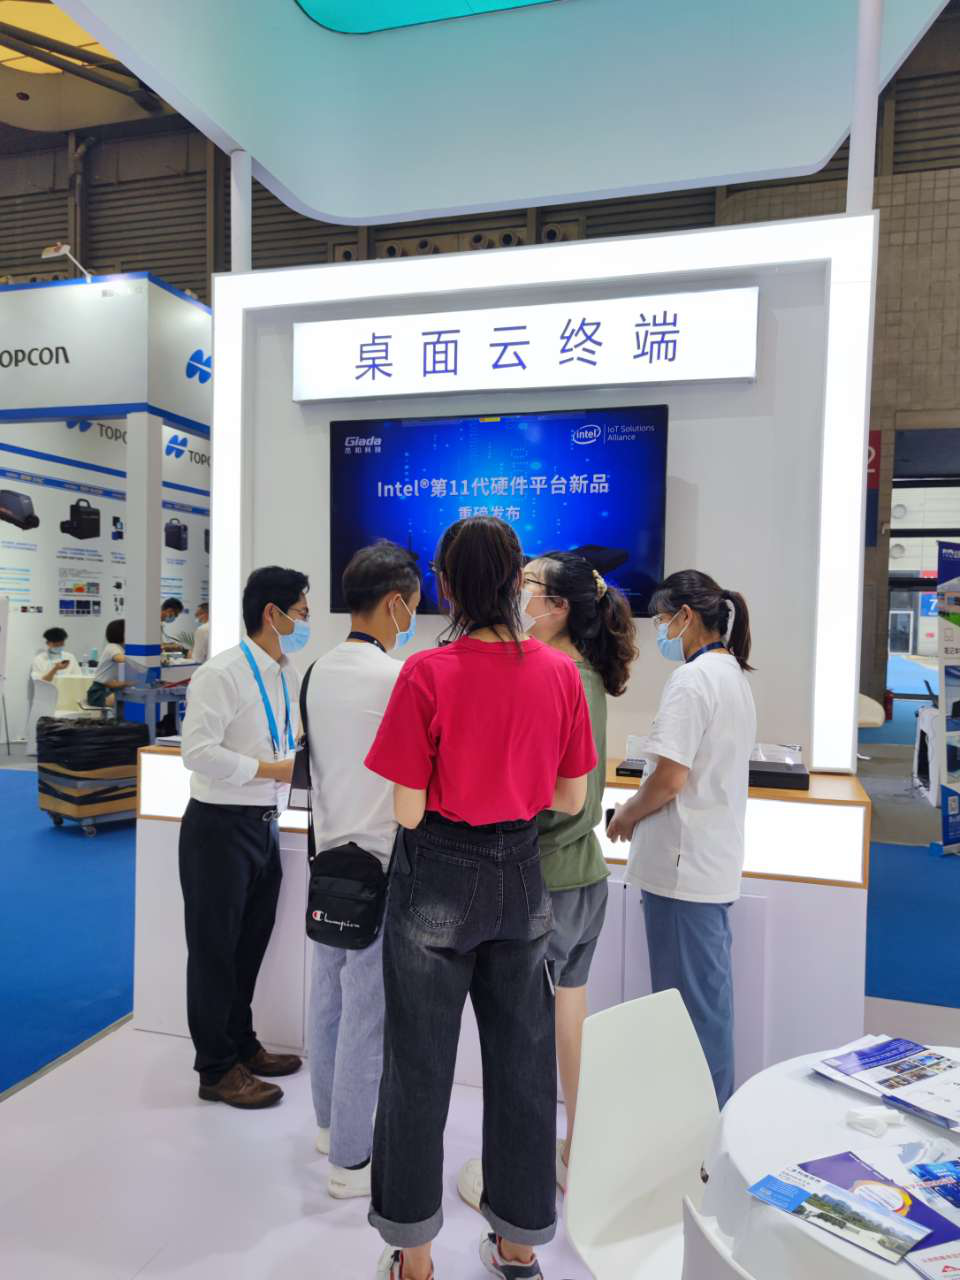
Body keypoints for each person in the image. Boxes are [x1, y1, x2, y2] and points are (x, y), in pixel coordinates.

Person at [365, 516, 597, 1280]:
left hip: (436, 873)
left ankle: (415, 1259)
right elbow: (571, 796)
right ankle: (519, 1246)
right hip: (522, 874)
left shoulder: (425, 674)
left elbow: (405, 811)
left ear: (444, 583)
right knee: (524, 1066)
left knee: (417, 1068)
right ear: (515, 583)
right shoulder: (560, 674)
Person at [457, 551, 637, 1214]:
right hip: (585, 878)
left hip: (546, 880)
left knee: (524, 1037)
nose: (517, 593)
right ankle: (572, 1154)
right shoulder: (585, 672)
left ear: (558, 607)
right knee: (569, 1018)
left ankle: (519, 1176)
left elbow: (559, 796)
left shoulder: (554, 673)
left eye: (528, 586)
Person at [608, 570, 756, 1108]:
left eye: (662, 620)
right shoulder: (730, 675)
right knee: (704, 1007)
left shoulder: (693, 681)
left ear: (686, 617)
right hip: (705, 863)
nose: (660, 632)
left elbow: (670, 778)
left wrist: (626, 814)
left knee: (688, 1014)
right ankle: (703, 1122)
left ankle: (699, 1129)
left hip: (682, 868)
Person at [306, 541, 421, 1200]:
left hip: (327, 858)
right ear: (395, 603)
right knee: (366, 1016)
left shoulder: (316, 670)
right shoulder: (397, 677)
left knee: (327, 998)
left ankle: (329, 1127)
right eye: (412, 607)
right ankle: (351, 1162)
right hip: (380, 863)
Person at [178, 565, 310, 1109]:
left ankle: (240, 1045)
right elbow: (196, 751)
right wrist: (272, 770)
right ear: (271, 614)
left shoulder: (284, 673)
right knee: (214, 951)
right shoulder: (223, 672)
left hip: (263, 824)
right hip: (218, 828)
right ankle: (215, 1069)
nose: (306, 622)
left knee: (249, 944)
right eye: (301, 612)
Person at [86, 620, 134, 708]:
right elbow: (121, 659)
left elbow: (112, 682)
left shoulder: (121, 649)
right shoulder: (112, 647)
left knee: (130, 698)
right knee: (129, 700)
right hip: (98, 692)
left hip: (109, 689)